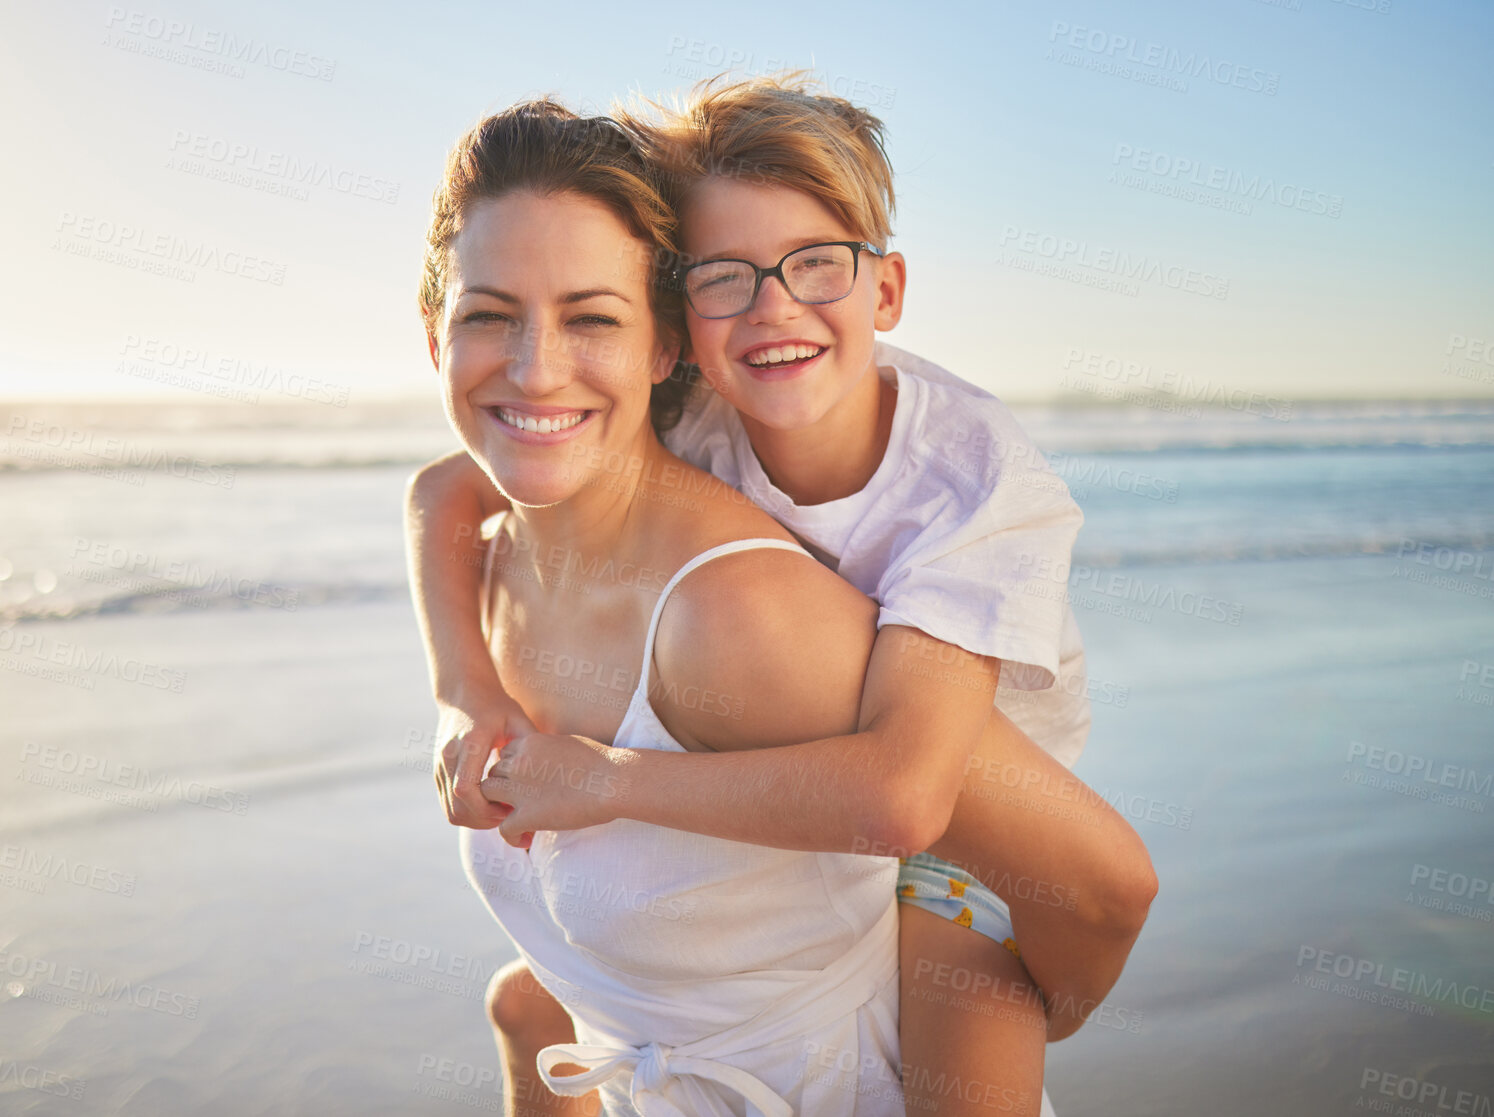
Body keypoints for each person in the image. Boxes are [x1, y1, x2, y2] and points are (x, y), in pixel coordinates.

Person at [408, 76, 1153, 1116]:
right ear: (681, 315)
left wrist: (1047, 995)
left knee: (969, 1068)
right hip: (838, 777)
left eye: (815, 267)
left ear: (885, 290)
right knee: (535, 1001)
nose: (772, 309)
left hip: (956, 828)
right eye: (725, 277)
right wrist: (462, 687)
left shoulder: (970, 485)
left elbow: (905, 798)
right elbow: (444, 487)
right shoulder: (705, 404)